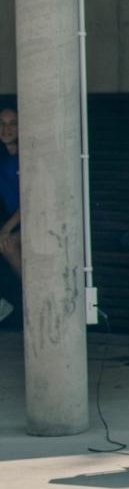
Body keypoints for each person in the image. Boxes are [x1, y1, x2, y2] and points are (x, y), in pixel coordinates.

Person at [0, 106, 20, 326]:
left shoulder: (27, 157)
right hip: (12, 221)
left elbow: (32, 200)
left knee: (8, 244)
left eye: (12, 123)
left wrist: (6, 228)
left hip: (36, 220)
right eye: (2, 124)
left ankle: (35, 295)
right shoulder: (3, 158)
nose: (6, 129)